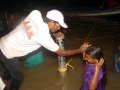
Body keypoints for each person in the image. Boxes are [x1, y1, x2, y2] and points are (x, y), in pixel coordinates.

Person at [0, 9, 90, 90]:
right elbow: (61, 53)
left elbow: (39, 30)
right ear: (51, 22)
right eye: (58, 26)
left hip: (3, 41)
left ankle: (6, 77)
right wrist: (80, 50)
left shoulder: (35, 13)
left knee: (10, 67)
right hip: (7, 52)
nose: (59, 28)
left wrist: (54, 34)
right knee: (18, 77)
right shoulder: (44, 37)